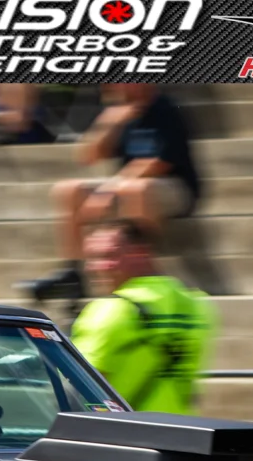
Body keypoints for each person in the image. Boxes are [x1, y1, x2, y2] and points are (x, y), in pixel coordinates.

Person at [27, 86, 202, 303]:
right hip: (125, 185)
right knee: (69, 190)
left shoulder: (165, 109)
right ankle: (73, 274)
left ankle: (144, 273)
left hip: (175, 187)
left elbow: (160, 162)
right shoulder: (118, 112)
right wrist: (109, 122)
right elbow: (87, 156)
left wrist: (109, 190)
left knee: (137, 190)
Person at [69, 220, 216, 414]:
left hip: (125, 429)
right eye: (91, 258)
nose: (92, 268)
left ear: (140, 253)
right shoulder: (197, 304)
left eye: (106, 256)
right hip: (185, 428)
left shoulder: (111, 309)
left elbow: (79, 385)